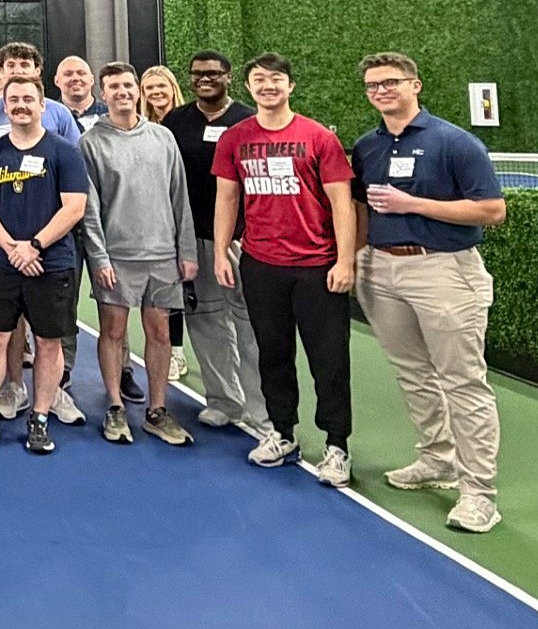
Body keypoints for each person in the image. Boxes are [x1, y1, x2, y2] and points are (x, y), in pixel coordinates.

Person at [350, 51, 506, 532]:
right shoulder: (367, 146)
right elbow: (358, 208)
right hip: (381, 271)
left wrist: (412, 203)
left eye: (391, 82)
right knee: (413, 374)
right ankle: (437, 459)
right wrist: (354, 259)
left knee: (462, 380)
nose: (381, 91)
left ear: (415, 84)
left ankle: (479, 493)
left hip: (443, 271)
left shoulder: (455, 142)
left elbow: (491, 210)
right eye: (373, 85)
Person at [212, 52, 357, 486]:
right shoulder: (235, 138)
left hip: (317, 268)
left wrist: (345, 260)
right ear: (249, 87)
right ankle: (282, 432)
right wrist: (221, 251)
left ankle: (337, 445)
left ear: (290, 86)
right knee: (272, 355)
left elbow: (341, 204)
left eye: (276, 79)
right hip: (261, 266)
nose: (268, 86)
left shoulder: (318, 138)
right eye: (259, 79)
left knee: (329, 360)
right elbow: (227, 198)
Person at [0, 73, 90, 456]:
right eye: (13, 99)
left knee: (48, 343)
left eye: (28, 99)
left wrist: (34, 245)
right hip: (1, 263)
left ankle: (40, 418)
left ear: (42, 105)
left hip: (51, 263)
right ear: (4, 104)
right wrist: (12, 248)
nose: (20, 105)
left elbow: (75, 207)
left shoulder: (64, 151)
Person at [77, 62, 198, 447]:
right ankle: (115, 406)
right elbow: (89, 209)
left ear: (137, 90)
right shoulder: (91, 143)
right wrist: (100, 258)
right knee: (113, 332)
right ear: (103, 94)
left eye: (128, 85)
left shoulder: (163, 138)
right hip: (116, 257)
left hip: (163, 256)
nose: (122, 92)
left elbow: (180, 197)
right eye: (113, 87)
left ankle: (157, 411)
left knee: (160, 332)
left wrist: (187, 251)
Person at [161, 51, 269, 432]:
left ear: (228, 77)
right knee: (205, 321)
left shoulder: (249, 120)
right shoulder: (176, 121)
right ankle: (223, 400)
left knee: (250, 324)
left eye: (212, 73)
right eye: (197, 74)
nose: (204, 79)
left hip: (243, 239)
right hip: (194, 238)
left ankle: (261, 410)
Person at [140, 64, 192, 381]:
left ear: (173, 87)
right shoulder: (143, 128)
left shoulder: (188, 123)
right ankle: (175, 352)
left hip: (189, 218)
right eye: (150, 89)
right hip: (157, 224)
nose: (157, 93)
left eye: (162, 86)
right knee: (167, 293)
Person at [55, 56, 107, 130]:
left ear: (92, 80)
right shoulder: (48, 116)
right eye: (68, 74)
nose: (75, 78)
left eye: (81, 73)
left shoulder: (110, 116)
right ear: (57, 81)